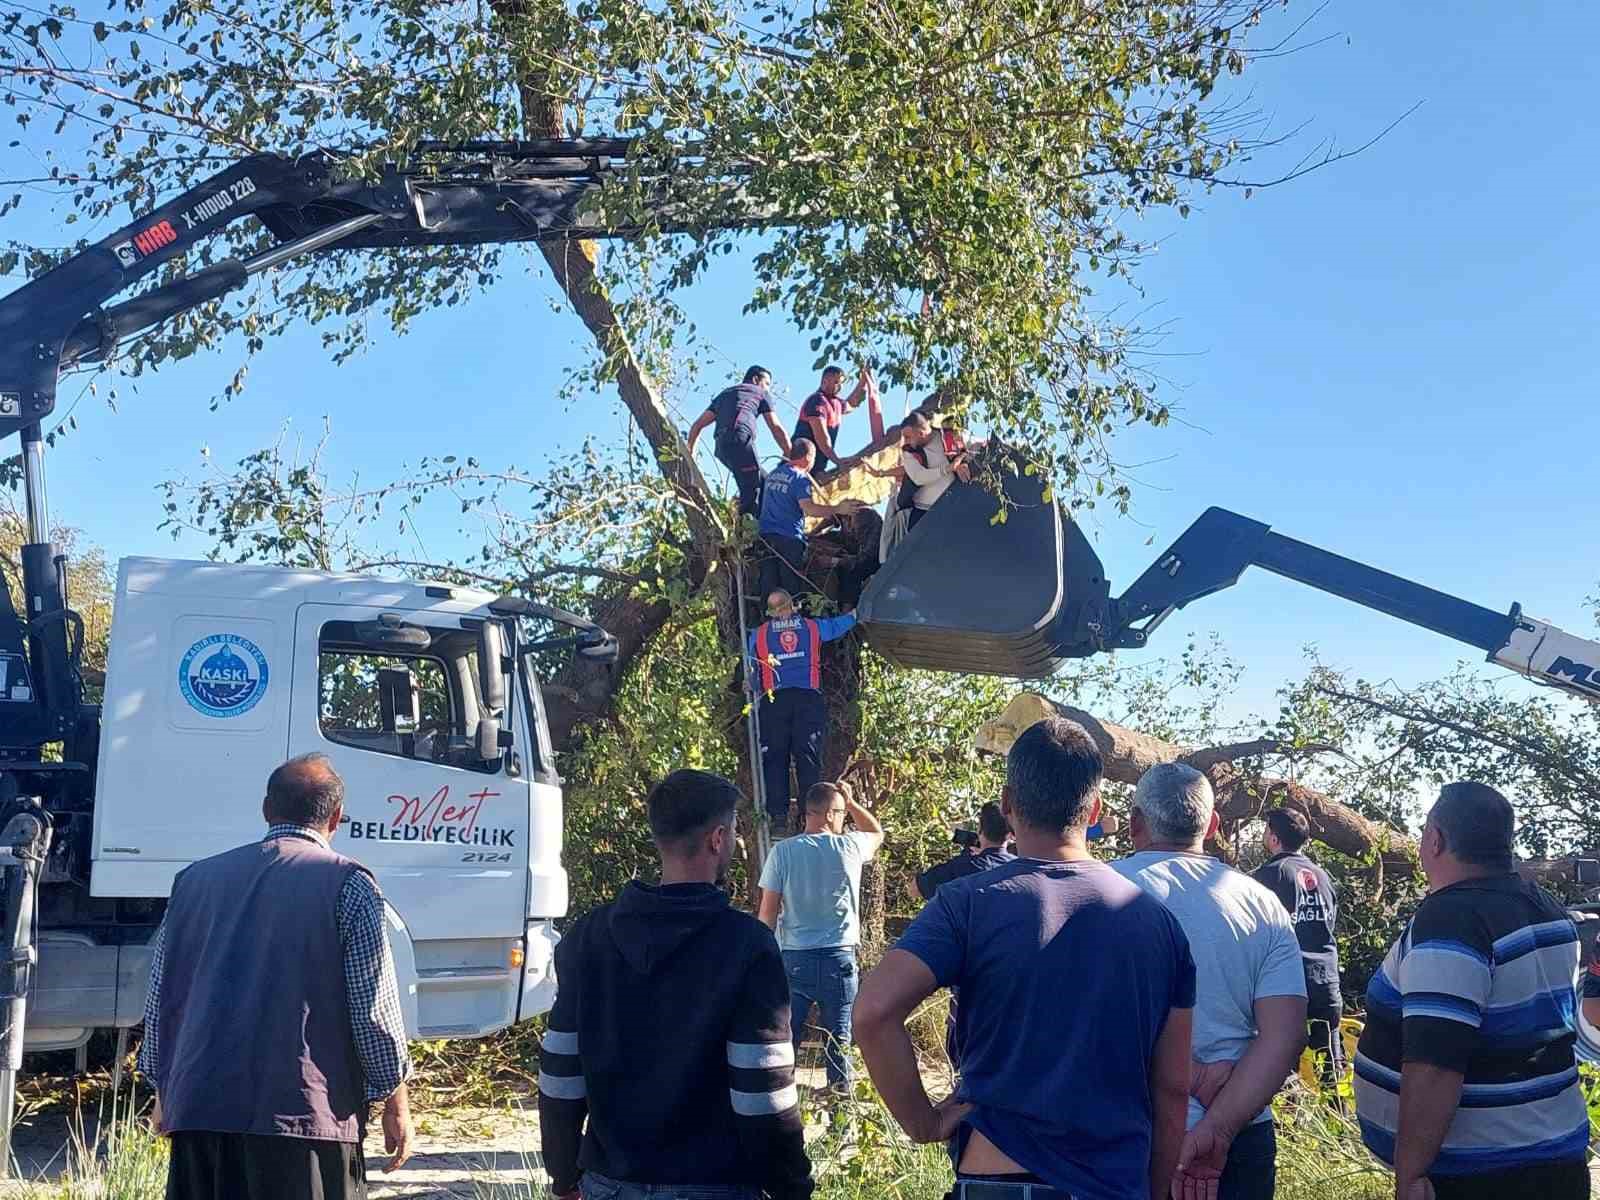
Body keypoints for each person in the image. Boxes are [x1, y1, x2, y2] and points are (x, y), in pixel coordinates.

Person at [854, 717, 1196, 1200]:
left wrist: (924, 1122)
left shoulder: (966, 902)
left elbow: (872, 1013)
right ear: (1094, 807)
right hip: (1113, 1181)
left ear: (1008, 804)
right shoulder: (1159, 924)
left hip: (997, 1175)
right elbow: (1172, 1089)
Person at [138, 753, 413, 1200]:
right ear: (337, 817)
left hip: (201, 1114)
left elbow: (162, 998)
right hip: (303, 1122)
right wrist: (395, 1101)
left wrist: (165, 1089)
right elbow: (373, 1012)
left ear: (267, 810)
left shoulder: (193, 881)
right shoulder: (348, 884)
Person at [539, 770, 812, 1200]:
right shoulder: (746, 944)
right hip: (716, 1184)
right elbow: (761, 1090)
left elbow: (560, 1072)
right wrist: (792, 1187)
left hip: (608, 1182)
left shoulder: (589, 935)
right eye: (735, 830)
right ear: (717, 838)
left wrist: (562, 1173)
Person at [1353, 782, 1589, 1200]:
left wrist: (1411, 1173)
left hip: (1481, 1176)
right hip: (1556, 1156)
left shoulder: (1452, 921)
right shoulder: (1546, 907)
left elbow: (1436, 1063)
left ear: (1434, 839)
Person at [1112, 763, 1307, 1200]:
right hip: (1239, 1135)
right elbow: (1287, 1034)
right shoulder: (1263, 904)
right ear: (1213, 824)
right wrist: (1216, 1129)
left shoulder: (1098, 893)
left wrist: (1187, 1077)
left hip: (1126, 1134)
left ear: (1134, 824)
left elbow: (1080, 1027)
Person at [757, 781, 885, 1091]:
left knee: (786, 1038)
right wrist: (854, 802)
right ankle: (841, 1115)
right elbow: (877, 833)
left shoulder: (782, 851)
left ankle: (779, 1102)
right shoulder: (850, 847)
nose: (844, 819)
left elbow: (768, 914)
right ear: (829, 814)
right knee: (839, 1040)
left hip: (794, 959)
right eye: (841, 813)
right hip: (838, 959)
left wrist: (762, 959)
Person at [747, 589, 858, 826]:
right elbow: (838, 626)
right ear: (792, 606)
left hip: (776, 700)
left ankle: (780, 815)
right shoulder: (811, 627)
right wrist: (856, 614)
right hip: (803, 698)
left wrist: (752, 683)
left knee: (777, 755)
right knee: (805, 754)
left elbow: (752, 671)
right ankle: (805, 815)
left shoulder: (758, 635)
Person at [1252, 808, 1345, 1087]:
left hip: (1287, 981)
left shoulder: (1270, 874)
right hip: (1326, 978)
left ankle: (1288, 1127)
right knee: (1329, 1062)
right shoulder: (1324, 876)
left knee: (1282, 1068)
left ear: (1273, 836)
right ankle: (1337, 1124)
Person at [916, 802, 1120, 900]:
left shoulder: (965, 867)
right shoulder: (1022, 862)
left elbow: (1056, 837)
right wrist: (1099, 829)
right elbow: (1059, 838)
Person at [757, 439, 864, 599]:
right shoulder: (800, 478)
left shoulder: (773, 475)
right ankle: (792, 621)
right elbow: (809, 508)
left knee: (769, 583)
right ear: (808, 458)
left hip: (765, 537)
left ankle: (767, 619)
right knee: (791, 586)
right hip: (789, 539)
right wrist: (837, 509)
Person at [687, 365, 790, 516]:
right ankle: (748, 533)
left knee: (764, 482)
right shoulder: (760, 393)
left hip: (721, 447)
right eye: (767, 384)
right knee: (753, 488)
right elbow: (776, 427)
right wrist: (789, 453)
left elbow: (697, 425)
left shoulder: (725, 394)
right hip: (740, 441)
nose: (768, 389)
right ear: (756, 379)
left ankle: (749, 520)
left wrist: (691, 455)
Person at [791, 366, 871, 477]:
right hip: (798, 467)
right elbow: (822, 438)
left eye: (842, 383)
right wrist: (838, 461)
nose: (840, 387)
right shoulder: (817, 401)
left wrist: (864, 381)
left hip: (817, 467)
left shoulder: (836, 403)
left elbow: (852, 403)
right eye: (837, 382)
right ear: (825, 381)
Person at [898, 410, 970, 532]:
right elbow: (918, 477)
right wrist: (948, 468)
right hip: (922, 513)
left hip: (952, 510)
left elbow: (970, 450)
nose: (905, 441)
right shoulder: (908, 451)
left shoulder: (949, 436)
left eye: (908, 437)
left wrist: (962, 462)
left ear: (921, 433)